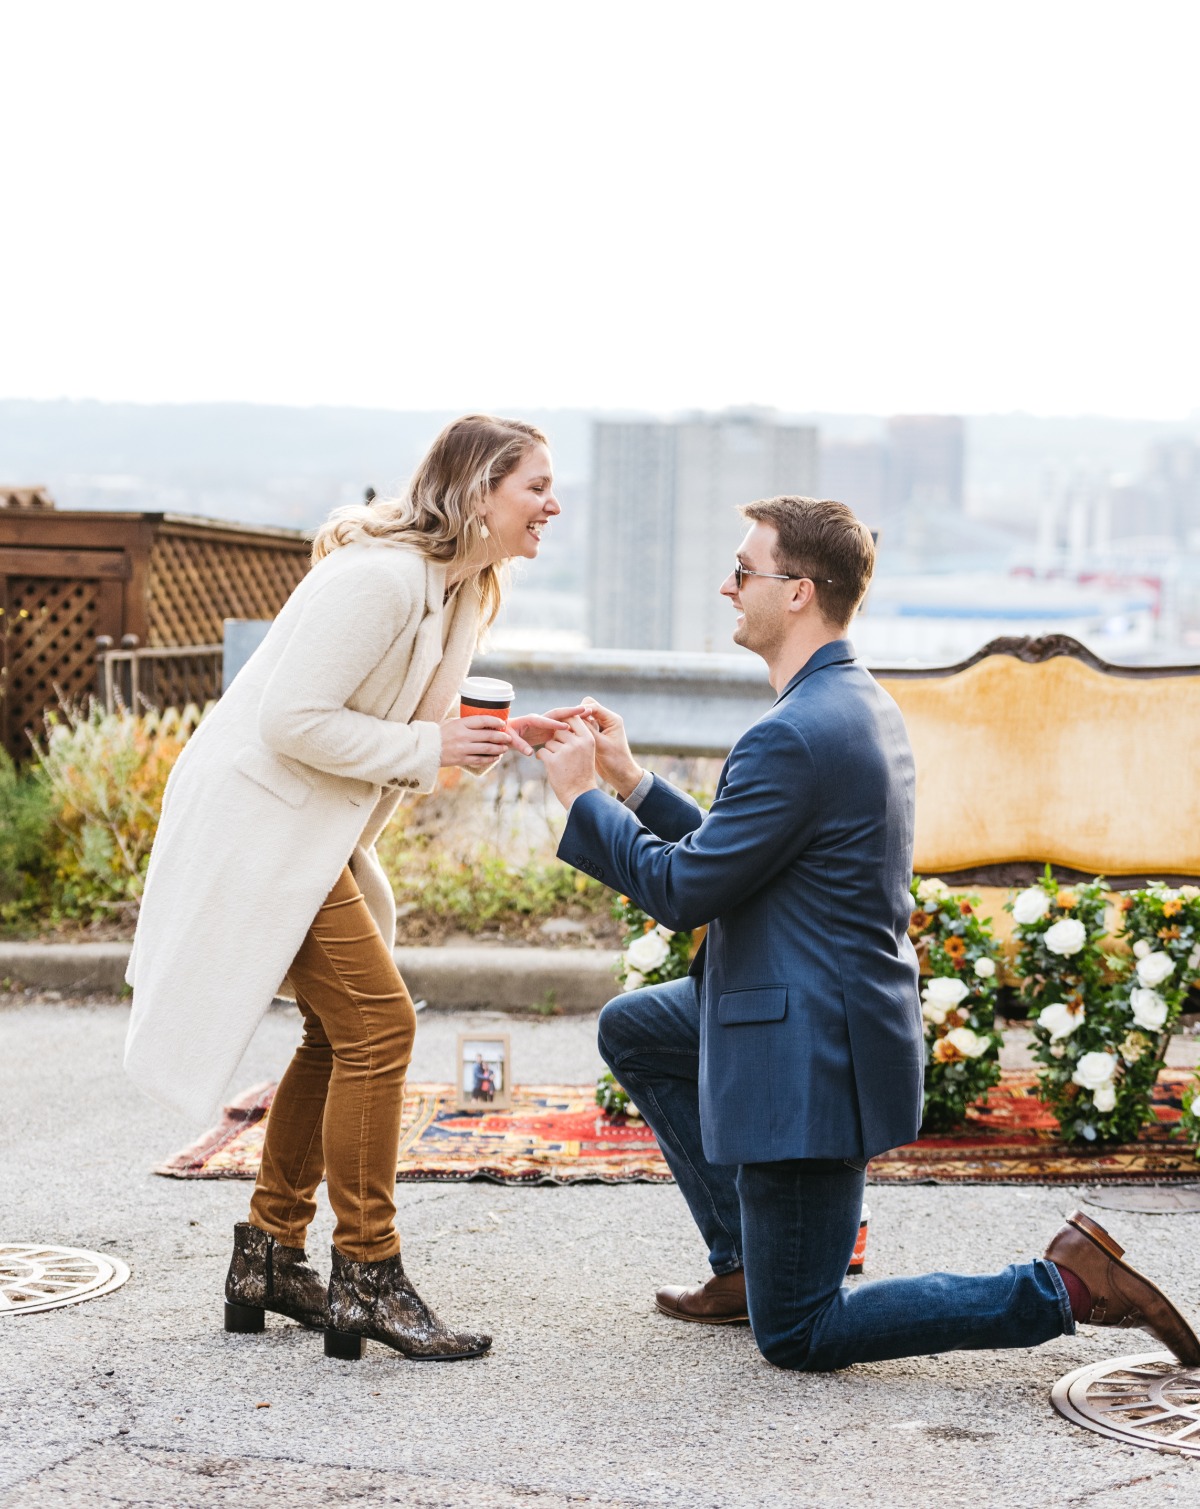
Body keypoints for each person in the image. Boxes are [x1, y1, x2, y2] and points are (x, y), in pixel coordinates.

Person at [537, 495, 1200, 1372]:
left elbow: (687, 888)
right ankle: (746, 1260)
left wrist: (583, 795)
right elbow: (742, 850)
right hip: (815, 1019)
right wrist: (633, 782)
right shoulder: (846, 704)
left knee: (802, 1333)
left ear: (800, 591)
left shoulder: (796, 734)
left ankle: (1065, 1284)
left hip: (806, 1061)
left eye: (744, 571)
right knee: (638, 1026)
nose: (726, 586)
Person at [125, 414, 578, 1364]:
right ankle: (365, 1273)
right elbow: (294, 718)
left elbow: (409, 720)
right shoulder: (377, 578)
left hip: (306, 829)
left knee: (342, 1029)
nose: (552, 503)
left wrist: (495, 734)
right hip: (263, 826)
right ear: (479, 490)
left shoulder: (462, 590)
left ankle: (268, 1253)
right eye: (536, 484)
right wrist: (429, 746)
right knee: (381, 1025)